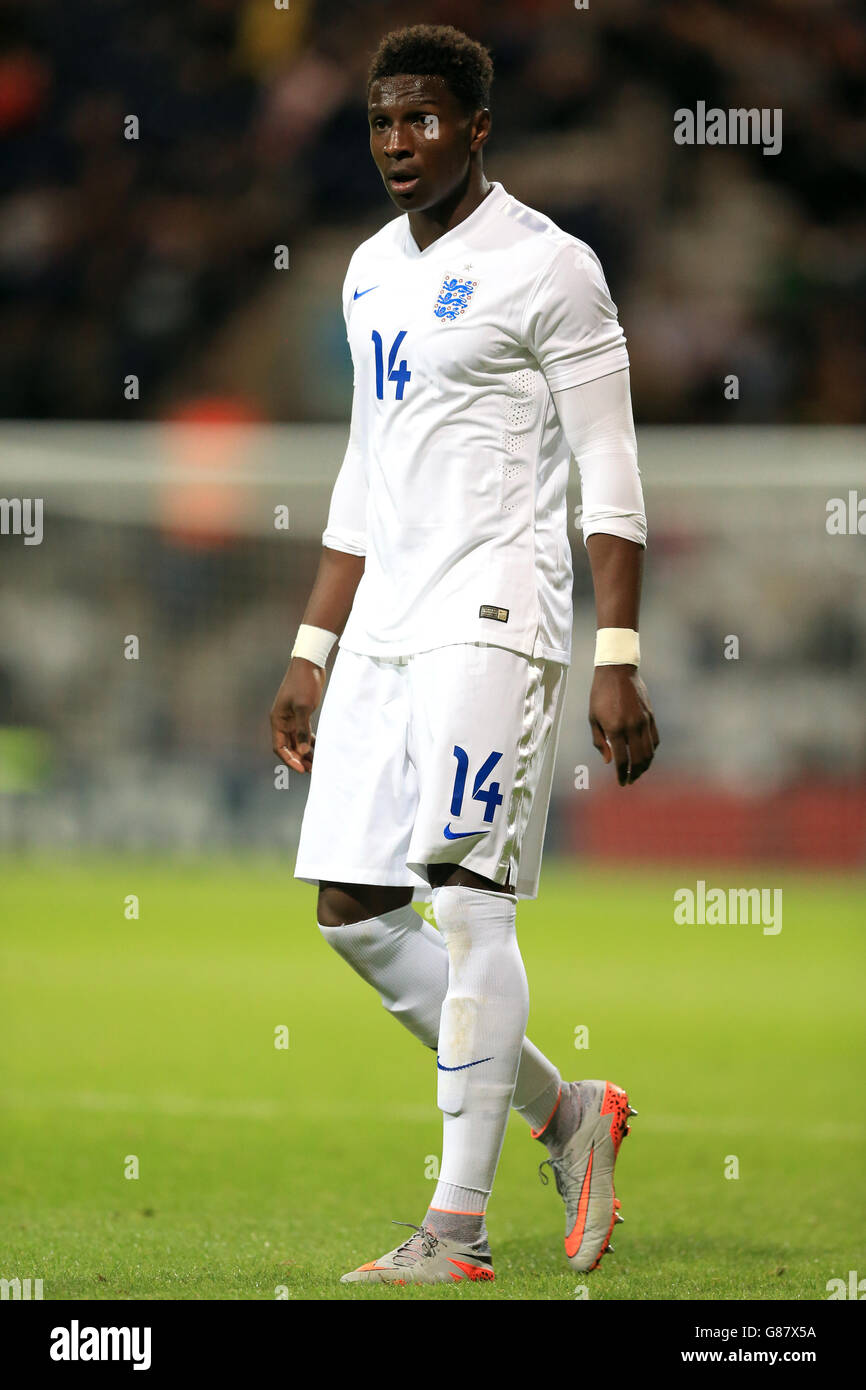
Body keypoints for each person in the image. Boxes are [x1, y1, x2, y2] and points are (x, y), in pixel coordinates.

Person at [270, 23, 658, 1287]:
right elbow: (362, 472)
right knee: (352, 911)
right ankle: (566, 1113)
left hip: (494, 611)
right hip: (384, 621)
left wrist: (617, 651)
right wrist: (311, 645)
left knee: (464, 896)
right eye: (383, 122)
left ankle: (454, 1227)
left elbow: (609, 462)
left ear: (476, 126)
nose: (397, 142)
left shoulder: (550, 267)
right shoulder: (368, 270)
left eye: (423, 120)